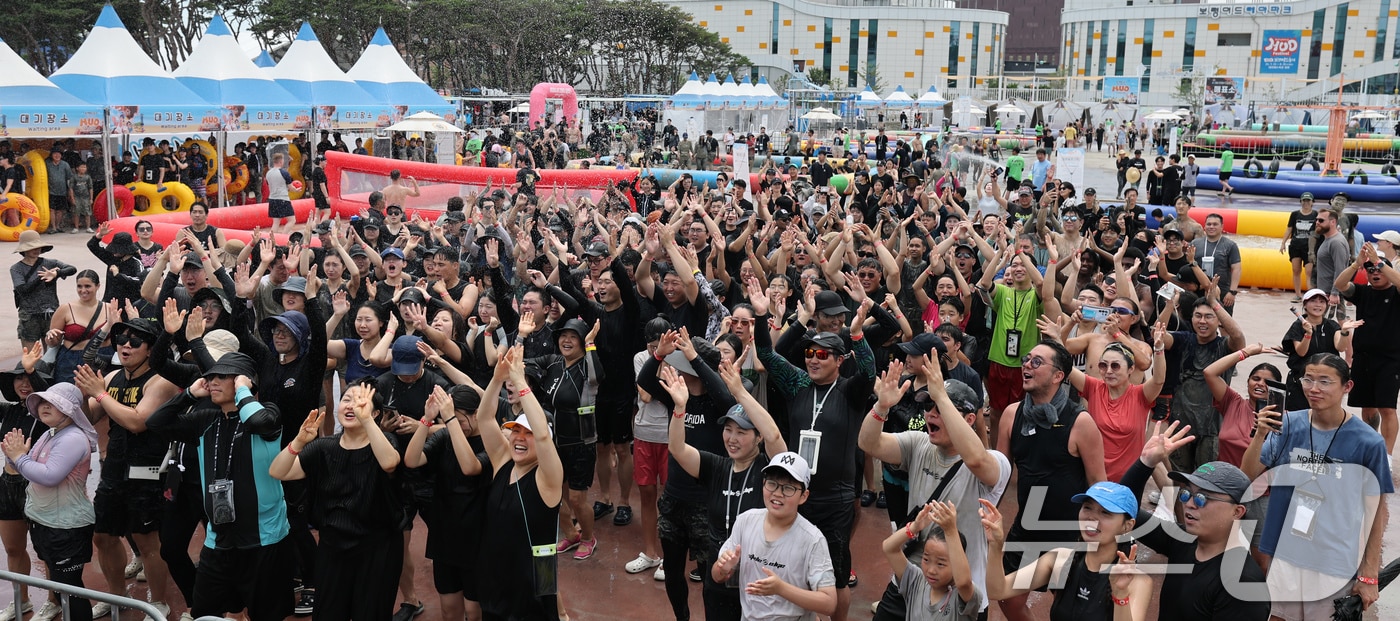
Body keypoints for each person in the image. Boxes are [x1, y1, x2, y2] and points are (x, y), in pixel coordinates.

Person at [1242, 353, 1392, 620]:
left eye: (1325, 381)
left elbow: (1376, 510)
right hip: (1285, 552)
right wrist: (1260, 434)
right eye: (1308, 379)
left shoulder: (1368, 442)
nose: (1313, 388)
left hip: (1333, 560)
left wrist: (1369, 574)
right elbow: (1248, 475)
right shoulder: (1288, 425)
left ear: (1347, 386)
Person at [860, 357, 1010, 618]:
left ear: (970, 418)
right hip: (911, 579)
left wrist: (941, 395)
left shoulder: (995, 462)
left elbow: (976, 460)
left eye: (940, 407)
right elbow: (869, 444)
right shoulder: (919, 444)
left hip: (960, 593)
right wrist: (881, 407)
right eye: (928, 405)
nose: (930, 413)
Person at [659, 358, 787, 621]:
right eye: (728, 430)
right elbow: (677, 449)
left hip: (758, 577)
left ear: (758, 437)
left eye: (741, 432)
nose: (732, 438)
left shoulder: (769, 469)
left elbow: (774, 436)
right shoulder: (716, 466)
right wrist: (680, 408)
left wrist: (739, 393)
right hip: (718, 576)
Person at [270, 382, 404, 621]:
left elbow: (389, 463)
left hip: (377, 548)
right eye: (346, 400)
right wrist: (299, 442)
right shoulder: (324, 447)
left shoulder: (385, 442)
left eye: (361, 401)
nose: (352, 406)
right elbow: (278, 472)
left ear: (375, 413)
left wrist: (367, 421)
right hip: (332, 546)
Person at [994, 339, 1105, 621]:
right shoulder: (1011, 415)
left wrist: (1099, 537)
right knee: (1007, 599)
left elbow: (1098, 485)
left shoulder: (1080, 422)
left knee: (1066, 610)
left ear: (1058, 376)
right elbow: (999, 476)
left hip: (1068, 533)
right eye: (1026, 359)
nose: (1027, 366)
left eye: (1037, 362)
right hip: (1026, 527)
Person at [1115, 425, 1272, 620]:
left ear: (1237, 511)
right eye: (1187, 493)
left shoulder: (1243, 584)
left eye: (1202, 498)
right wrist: (1145, 463)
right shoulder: (1182, 539)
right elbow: (1122, 511)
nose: (1189, 503)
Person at [474, 345, 564, 621]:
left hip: (533, 591)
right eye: (516, 431)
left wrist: (520, 381)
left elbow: (544, 436)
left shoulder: (548, 478)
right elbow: (484, 418)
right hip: (495, 582)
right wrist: (497, 379)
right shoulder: (503, 462)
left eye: (528, 433)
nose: (519, 438)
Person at [982, 480, 1151, 621]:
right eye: (1087, 507)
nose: (1091, 517)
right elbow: (998, 590)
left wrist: (1120, 594)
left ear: (1127, 525)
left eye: (1105, 512)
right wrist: (995, 545)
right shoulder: (1060, 560)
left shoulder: (1137, 581)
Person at [1, 383, 98, 621]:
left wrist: (19, 458)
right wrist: (13, 457)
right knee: (60, 585)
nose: (45, 406)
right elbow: (29, 467)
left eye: (53, 403)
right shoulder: (50, 433)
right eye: (42, 402)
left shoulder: (73, 438)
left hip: (67, 527)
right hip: (47, 523)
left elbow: (49, 476)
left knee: (70, 589)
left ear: (70, 410)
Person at [711, 452, 837, 620]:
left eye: (788, 488)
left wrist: (781, 588)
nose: (777, 493)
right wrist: (724, 568)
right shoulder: (745, 521)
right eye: (772, 484)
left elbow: (829, 603)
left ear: (803, 496)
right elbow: (716, 576)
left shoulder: (812, 540)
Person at [404, 385, 490, 621]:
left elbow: (470, 467)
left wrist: (451, 420)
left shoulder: (491, 441)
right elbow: (412, 460)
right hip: (445, 534)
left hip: (478, 538)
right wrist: (426, 420)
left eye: (461, 420)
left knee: (474, 611)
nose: (456, 426)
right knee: (449, 610)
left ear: (476, 414)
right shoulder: (444, 437)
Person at [1334, 242, 1400, 452]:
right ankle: (1372, 449)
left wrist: (1379, 261)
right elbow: (1340, 284)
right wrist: (1357, 264)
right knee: (1368, 408)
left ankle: (1386, 455)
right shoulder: (1363, 293)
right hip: (1363, 358)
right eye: (1370, 270)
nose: (1375, 273)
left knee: (1387, 408)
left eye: (1379, 269)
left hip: (1390, 360)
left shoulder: (1396, 293)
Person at [0, 346, 51, 621]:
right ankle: (22, 600)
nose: (23, 383)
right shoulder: (9, 410)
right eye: (18, 377)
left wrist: (34, 373)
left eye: (29, 377)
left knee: (46, 549)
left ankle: (54, 601)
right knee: (12, 548)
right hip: (7, 484)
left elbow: (49, 396)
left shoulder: (48, 412)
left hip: (37, 485)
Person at [879, 501, 980, 621]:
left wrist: (951, 531)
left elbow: (964, 583)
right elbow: (889, 548)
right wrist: (914, 527)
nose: (931, 570)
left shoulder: (961, 596)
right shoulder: (915, 581)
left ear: (956, 563)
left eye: (940, 564)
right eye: (926, 559)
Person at [11, 230, 77, 351]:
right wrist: (42, 277)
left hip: (50, 313)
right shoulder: (16, 269)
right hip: (29, 316)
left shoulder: (50, 263)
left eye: (38, 247)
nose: (36, 250)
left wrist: (57, 273)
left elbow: (72, 269)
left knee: (52, 353)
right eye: (32, 247)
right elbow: (22, 290)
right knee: (30, 354)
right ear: (24, 250)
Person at [1191, 214, 1242, 312]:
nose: (1211, 227)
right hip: (1198, 290)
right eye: (1209, 224)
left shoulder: (1230, 245)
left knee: (1223, 320)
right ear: (1204, 226)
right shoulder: (1195, 243)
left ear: (1222, 227)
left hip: (1223, 291)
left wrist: (1232, 292)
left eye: (1215, 224)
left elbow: (1236, 269)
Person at [1281, 193, 1318, 302]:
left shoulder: (1316, 214)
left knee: (1309, 272)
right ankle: (1298, 295)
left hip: (1309, 248)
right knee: (1296, 270)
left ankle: (1310, 296)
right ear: (1301, 201)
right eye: (1304, 200)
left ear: (1312, 202)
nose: (1306, 203)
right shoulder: (1295, 214)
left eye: (1308, 201)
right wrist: (1283, 243)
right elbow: (1289, 229)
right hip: (1296, 246)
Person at [265, 153, 295, 236]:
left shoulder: (268, 173)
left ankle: (271, 239)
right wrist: (296, 189)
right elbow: (291, 187)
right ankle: (283, 236)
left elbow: (270, 185)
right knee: (292, 220)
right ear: (281, 161)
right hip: (283, 198)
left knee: (276, 222)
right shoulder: (284, 173)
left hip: (272, 199)